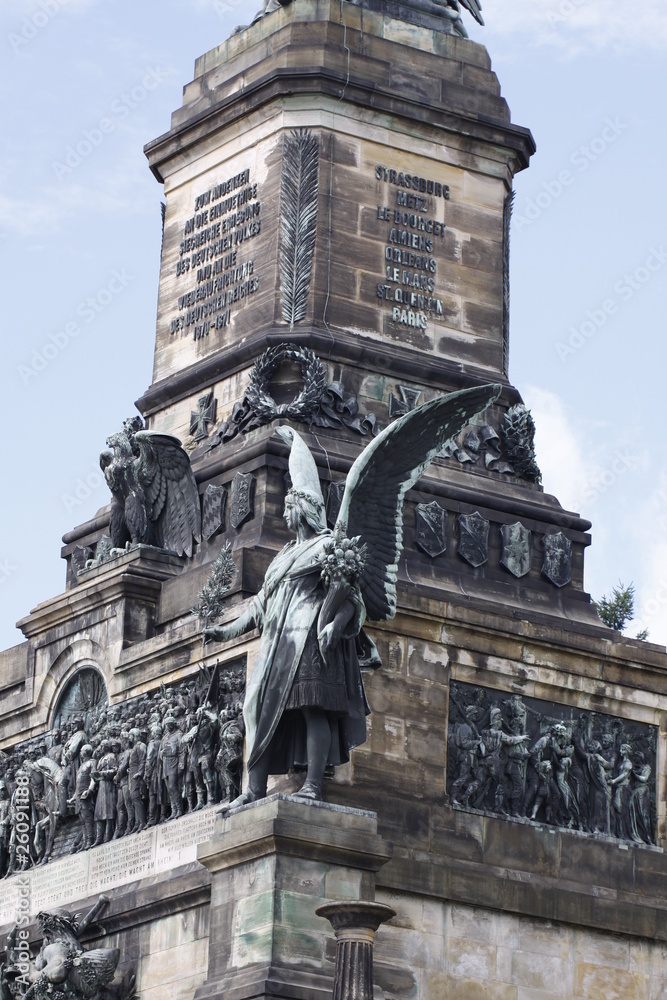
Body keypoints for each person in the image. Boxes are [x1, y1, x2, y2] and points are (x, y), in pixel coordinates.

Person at [204, 430, 373, 806]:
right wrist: (224, 631)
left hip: (312, 640)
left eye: (288, 506)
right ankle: (253, 790)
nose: (282, 512)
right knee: (257, 705)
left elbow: (351, 599)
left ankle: (313, 784)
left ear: (303, 507)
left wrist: (335, 624)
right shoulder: (282, 557)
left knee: (313, 706)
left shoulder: (329, 545)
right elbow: (260, 605)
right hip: (278, 644)